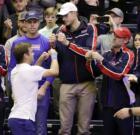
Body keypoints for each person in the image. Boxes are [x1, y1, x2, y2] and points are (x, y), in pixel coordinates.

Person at [63, 27, 135, 135]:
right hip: (107, 103)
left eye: (117, 36)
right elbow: (94, 73)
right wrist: (89, 61)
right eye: (114, 35)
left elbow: (119, 74)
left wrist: (101, 60)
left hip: (123, 103)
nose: (113, 38)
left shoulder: (128, 54)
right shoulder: (107, 54)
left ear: (125, 40)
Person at [49, 2, 98, 135]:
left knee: (84, 129)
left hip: (87, 83)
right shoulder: (57, 31)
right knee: (64, 129)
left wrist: (67, 43)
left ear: (75, 13)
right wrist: (53, 46)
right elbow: (56, 54)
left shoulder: (90, 28)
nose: (63, 19)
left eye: (66, 15)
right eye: (62, 16)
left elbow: (89, 53)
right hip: (66, 83)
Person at [9, 10, 54, 135]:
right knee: (24, 125)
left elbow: (51, 68)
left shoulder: (46, 42)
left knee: (40, 127)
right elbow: (12, 67)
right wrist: (13, 89)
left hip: (40, 89)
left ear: (39, 23)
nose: (32, 25)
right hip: (24, 91)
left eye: (35, 21)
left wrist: (45, 87)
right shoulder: (17, 43)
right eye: (29, 22)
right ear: (25, 24)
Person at [8, 42, 59, 135]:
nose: (33, 54)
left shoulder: (15, 71)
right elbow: (55, 72)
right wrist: (54, 56)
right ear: (25, 55)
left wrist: (40, 59)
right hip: (24, 120)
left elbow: (32, 72)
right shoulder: (30, 70)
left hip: (14, 118)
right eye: (31, 52)